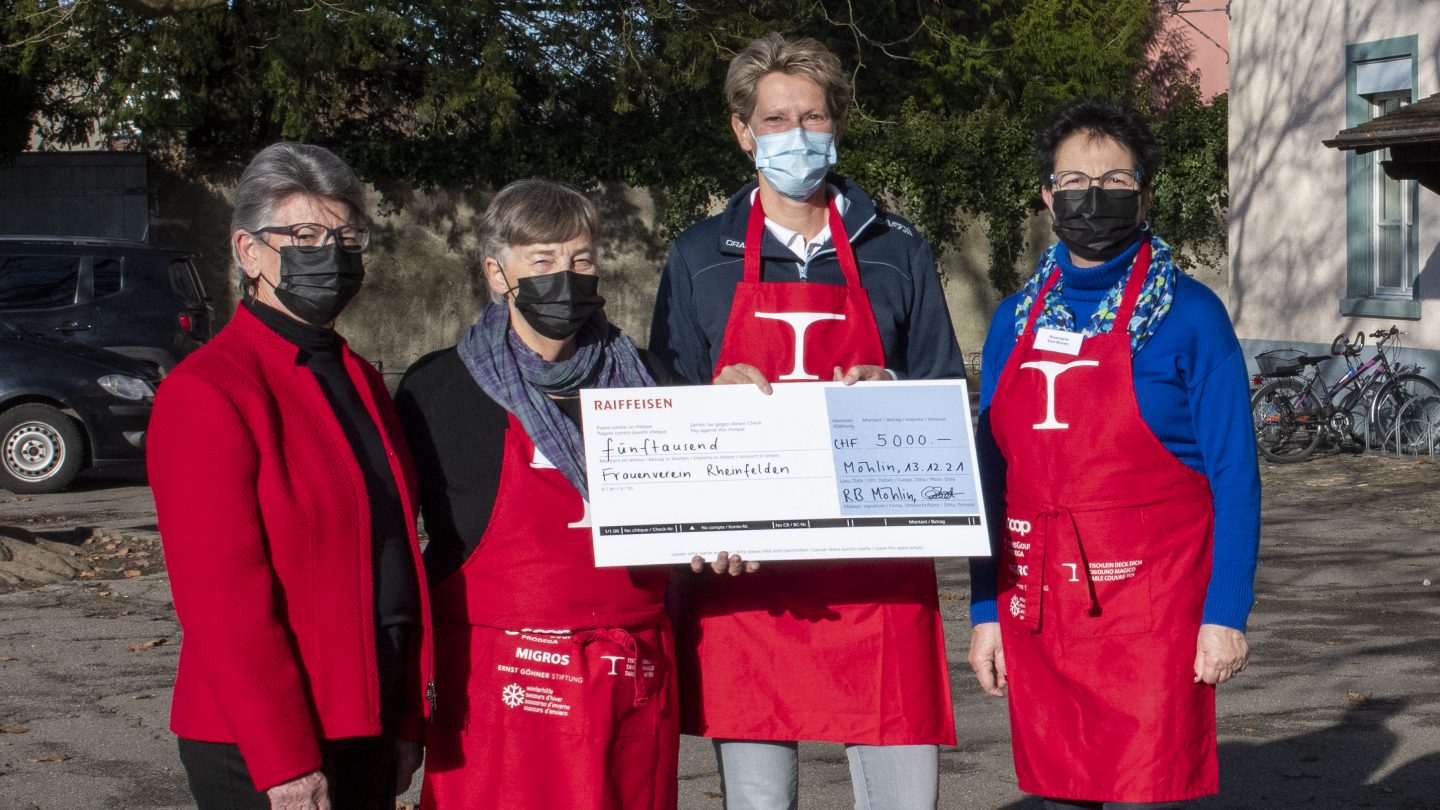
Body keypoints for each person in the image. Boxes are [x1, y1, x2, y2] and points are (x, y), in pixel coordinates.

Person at [649, 33, 965, 810]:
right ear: (742, 130)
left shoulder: (896, 250)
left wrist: (891, 389)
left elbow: (947, 393)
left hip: (879, 574)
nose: (798, 135)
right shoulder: (699, 256)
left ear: (838, 126)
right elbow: (663, 404)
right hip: (747, 583)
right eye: (778, 118)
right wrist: (707, 410)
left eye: (815, 117)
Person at [394, 179, 741, 810]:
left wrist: (721, 539)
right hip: (496, 693)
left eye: (580, 259)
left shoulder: (651, 381)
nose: (567, 275)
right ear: (497, 274)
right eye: (543, 260)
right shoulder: (437, 390)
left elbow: (709, 516)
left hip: (625, 681)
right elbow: (389, 546)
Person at [965, 97, 1260, 809]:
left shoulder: (1190, 314)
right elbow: (987, 478)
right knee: (1060, 792)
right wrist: (982, 611)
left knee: (1142, 790)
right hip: (1037, 605)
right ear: (1046, 195)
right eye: (1072, 181)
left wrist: (1226, 614)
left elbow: (1235, 475)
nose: (1092, 197)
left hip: (1152, 616)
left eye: (1115, 181)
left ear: (1146, 194)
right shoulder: (1013, 318)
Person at [148, 142, 432, 810]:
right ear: (249, 252)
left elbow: (391, 551)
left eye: (344, 235)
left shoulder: (359, 376)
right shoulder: (209, 391)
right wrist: (284, 763)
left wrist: (406, 717)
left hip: (367, 719)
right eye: (303, 235)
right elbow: (222, 603)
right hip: (266, 746)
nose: (329, 253)